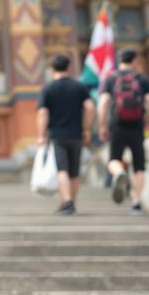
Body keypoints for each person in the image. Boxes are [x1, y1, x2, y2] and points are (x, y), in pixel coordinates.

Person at [97, 49, 149, 214]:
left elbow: (103, 102)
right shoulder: (141, 78)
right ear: (135, 61)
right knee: (139, 166)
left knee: (113, 160)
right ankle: (136, 202)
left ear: (119, 61)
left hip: (117, 125)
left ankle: (118, 173)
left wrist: (102, 125)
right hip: (136, 125)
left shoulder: (111, 78)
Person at [36, 54, 94, 215]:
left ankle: (67, 202)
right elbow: (90, 107)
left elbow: (42, 113)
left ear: (52, 69)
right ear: (69, 67)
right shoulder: (79, 87)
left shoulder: (48, 88)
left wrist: (41, 135)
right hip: (76, 134)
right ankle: (71, 203)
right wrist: (86, 128)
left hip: (57, 135)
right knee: (74, 171)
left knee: (62, 169)